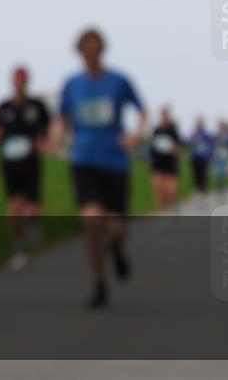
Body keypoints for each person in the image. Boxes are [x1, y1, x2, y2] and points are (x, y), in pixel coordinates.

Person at [53, 28, 147, 309]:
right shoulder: (72, 85)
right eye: (85, 49)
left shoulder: (118, 81)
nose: (90, 53)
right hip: (84, 160)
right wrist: (57, 135)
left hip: (115, 162)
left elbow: (142, 112)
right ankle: (99, 283)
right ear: (79, 52)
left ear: (102, 50)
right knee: (91, 220)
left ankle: (117, 248)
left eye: (95, 48)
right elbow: (61, 118)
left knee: (117, 227)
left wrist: (134, 136)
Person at [0, 66, 51, 271]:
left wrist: (43, 141)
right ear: (12, 83)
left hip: (31, 162)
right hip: (10, 163)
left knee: (33, 208)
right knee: (14, 209)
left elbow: (47, 127)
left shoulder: (37, 106)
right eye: (17, 81)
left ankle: (34, 223)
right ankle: (19, 250)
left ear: (27, 83)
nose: (20, 85)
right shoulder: (4, 107)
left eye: (23, 81)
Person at [149, 106, 181, 211]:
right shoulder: (156, 130)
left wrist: (172, 149)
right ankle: (162, 214)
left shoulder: (173, 131)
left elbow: (178, 148)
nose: (164, 116)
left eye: (166, 114)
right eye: (162, 114)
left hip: (170, 165)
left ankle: (174, 204)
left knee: (172, 191)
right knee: (159, 191)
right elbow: (151, 146)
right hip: (157, 165)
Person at [186, 117, 214, 207]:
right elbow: (189, 144)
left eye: (200, 123)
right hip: (194, 159)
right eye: (198, 123)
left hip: (204, 159)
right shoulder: (193, 134)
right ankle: (198, 193)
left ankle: (204, 196)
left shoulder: (206, 135)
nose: (199, 124)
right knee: (196, 176)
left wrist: (210, 156)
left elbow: (211, 146)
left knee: (203, 177)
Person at [213, 119, 228, 200]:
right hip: (218, 156)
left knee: (223, 174)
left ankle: (223, 190)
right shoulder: (216, 135)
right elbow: (214, 145)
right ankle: (219, 190)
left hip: (225, 157)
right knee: (218, 174)